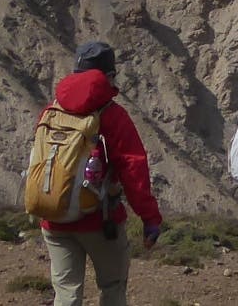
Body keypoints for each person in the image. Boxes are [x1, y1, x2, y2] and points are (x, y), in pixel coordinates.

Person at [37, 42, 163, 306]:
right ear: (108, 77)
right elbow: (133, 170)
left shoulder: (51, 110)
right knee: (112, 288)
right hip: (100, 220)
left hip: (54, 219)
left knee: (66, 294)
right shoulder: (113, 116)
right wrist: (150, 218)